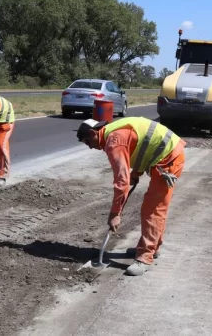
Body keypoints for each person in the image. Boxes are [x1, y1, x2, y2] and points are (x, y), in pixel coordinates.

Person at [76, 117, 186, 276]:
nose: (90, 147)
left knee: (152, 210)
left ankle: (145, 257)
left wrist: (115, 214)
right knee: (152, 209)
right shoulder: (113, 131)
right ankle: (152, 247)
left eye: (87, 142)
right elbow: (142, 145)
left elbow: (121, 181)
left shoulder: (113, 141)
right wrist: (136, 172)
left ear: (93, 133)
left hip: (169, 160)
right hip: (166, 155)